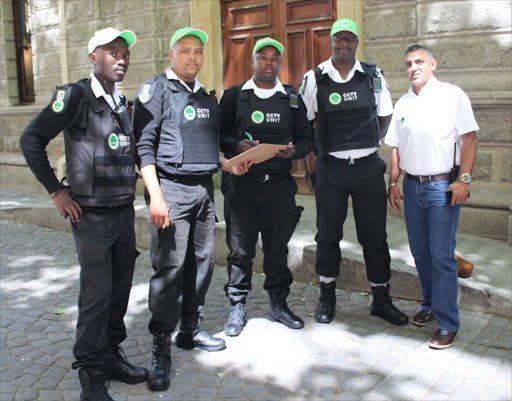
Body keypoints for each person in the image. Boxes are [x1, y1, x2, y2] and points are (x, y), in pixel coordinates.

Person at [19, 28, 148, 400]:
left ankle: (110, 355)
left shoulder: (121, 101)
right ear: (94, 57)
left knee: (120, 289)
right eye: (112, 52)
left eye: (124, 53)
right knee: (97, 293)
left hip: (123, 210)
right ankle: (90, 373)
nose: (121, 58)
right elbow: (31, 140)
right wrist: (56, 191)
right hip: (91, 216)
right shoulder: (75, 95)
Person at [133, 27, 252, 392]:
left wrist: (227, 164)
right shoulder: (156, 90)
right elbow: (144, 148)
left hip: (202, 190)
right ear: (171, 55)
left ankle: (190, 329)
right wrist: (155, 196)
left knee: (200, 263)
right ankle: (160, 346)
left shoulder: (204, 95)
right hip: (170, 189)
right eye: (185, 51)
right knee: (169, 269)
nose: (192, 58)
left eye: (198, 52)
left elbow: (205, 145)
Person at [299, 18, 408, 326]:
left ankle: (381, 298)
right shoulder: (314, 77)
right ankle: (327, 294)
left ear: (356, 42)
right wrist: (327, 147)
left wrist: (363, 140)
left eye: (349, 38)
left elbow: (384, 117)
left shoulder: (372, 75)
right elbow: (305, 121)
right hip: (330, 169)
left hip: (366, 170)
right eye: (338, 38)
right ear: (330, 41)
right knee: (328, 235)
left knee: (374, 235)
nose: (343, 42)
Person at [385, 45, 478, 349]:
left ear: (433, 64)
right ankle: (429, 304)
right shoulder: (403, 103)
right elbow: (396, 148)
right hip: (412, 188)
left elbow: (469, 138)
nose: (413, 67)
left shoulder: (452, 95)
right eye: (408, 63)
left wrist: (463, 179)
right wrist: (393, 182)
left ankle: (448, 322)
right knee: (420, 253)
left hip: (441, 188)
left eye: (419, 61)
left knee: (441, 256)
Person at [218, 38, 313, 336]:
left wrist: (294, 152)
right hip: (242, 187)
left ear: (280, 63)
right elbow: (217, 135)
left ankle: (278, 303)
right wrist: (237, 145)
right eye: (263, 57)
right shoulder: (235, 96)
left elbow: (307, 139)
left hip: (279, 187)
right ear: (253, 61)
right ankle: (237, 306)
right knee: (239, 251)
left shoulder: (292, 98)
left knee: (276, 249)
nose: (269, 62)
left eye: (275, 58)